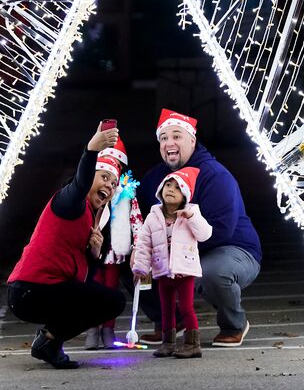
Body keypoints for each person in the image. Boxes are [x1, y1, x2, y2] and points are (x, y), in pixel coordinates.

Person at [133, 109, 262, 347]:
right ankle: (169, 322)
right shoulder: (153, 178)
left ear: (192, 140)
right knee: (135, 261)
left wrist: (178, 252)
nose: (169, 143)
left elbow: (222, 228)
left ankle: (234, 324)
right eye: (163, 138)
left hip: (230, 248)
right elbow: (139, 219)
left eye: (176, 136)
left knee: (213, 272)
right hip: (179, 249)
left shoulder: (214, 175)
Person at [6, 123, 127, 369]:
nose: (109, 186)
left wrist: (94, 255)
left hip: (47, 291)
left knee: (107, 299)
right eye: (104, 178)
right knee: (112, 301)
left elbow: (83, 283)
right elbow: (81, 183)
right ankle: (48, 341)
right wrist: (92, 149)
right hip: (30, 291)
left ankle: (50, 342)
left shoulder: (91, 219)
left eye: (114, 184)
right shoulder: (71, 201)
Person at [133, 167, 212, 358]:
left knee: (186, 308)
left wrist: (191, 217)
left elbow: (205, 234)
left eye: (177, 188)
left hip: (184, 271)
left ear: (184, 195)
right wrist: (141, 267)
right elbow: (144, 243)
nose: (170, 189)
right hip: (162, 271)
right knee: (166, 310)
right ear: (160, 189)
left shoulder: (191, 213)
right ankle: (168, 344)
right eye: (168, 185)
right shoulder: (153, 217)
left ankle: (193, 344)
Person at [84, 138, 143, 349]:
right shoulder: (88, 194)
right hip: (92, 252)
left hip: (114, 253)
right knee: (92, 289)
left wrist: (138, 247)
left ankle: (108, 328)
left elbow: (137, 221)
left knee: (110, 290)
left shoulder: (127, 195)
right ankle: (92, 328)